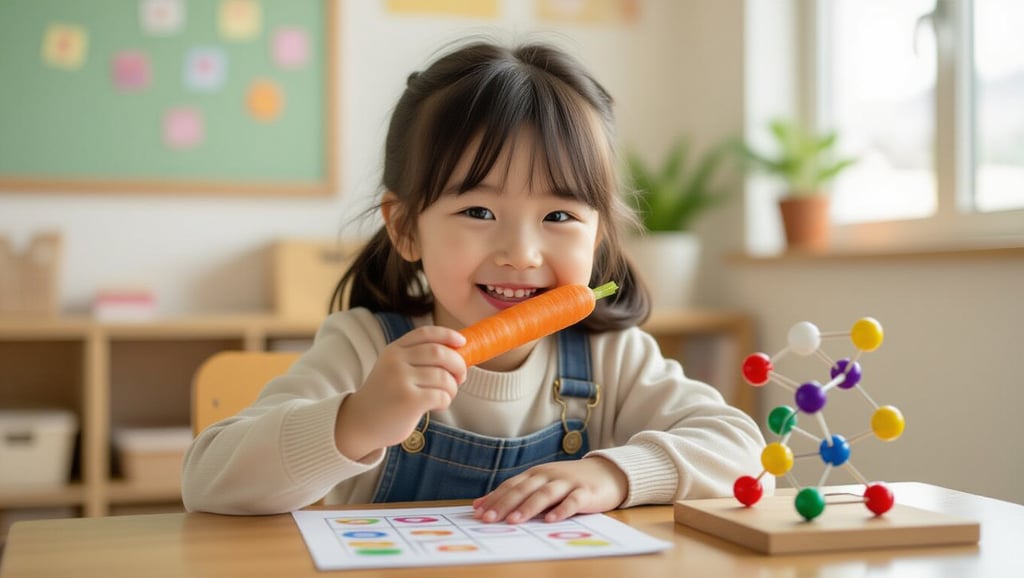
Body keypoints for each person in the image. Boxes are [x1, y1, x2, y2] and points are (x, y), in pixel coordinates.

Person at [182, 39, 769, 523]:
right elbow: (208, 481)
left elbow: (746, 454)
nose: (520, 253)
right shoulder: (363, 348)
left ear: (599, 238)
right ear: (407, 228)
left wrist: (614, 474)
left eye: (559, 217)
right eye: (479, 213)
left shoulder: (611, 356)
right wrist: (356, 419)